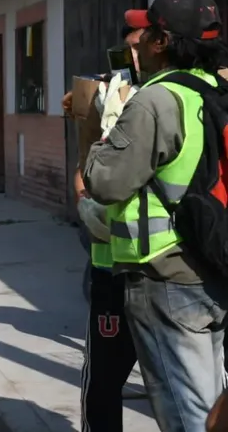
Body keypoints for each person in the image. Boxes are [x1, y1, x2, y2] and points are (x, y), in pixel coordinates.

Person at [83, 0, 228, 432]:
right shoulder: (215, 90)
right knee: (210, 406)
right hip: (212, 263)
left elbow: (105, 181)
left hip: (164, 272)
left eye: (143, 32)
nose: (135, 41)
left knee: (185, 412)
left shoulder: (156, 100)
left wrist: (92, 135)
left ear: (162, 41)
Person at [63, 26, 142, 432]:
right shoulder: (109, 92)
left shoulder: (181, 97)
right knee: (104, 380)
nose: (133, 57)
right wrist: (82, 195)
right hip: (111, 266)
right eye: (126, 49)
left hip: (172, 272)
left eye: (140, 46)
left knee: (185, 387)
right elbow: (85, 155)